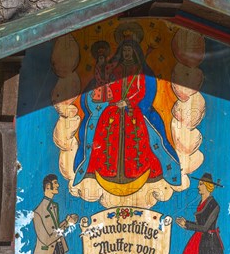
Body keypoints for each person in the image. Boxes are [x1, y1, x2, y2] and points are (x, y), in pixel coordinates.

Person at [72, 31, 181, 196]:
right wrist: (114, 99)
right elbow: (108, 86)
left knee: (140, 138)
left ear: (135, 51)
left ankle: (134, 172)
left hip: (132, 110)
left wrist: (128, 102)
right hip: (114, 108)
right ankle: (105, 171)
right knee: (104, 136)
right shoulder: (114, 69)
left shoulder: (140, 70)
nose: (127, 53)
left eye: (129, 50)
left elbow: (141, 90)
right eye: (124, 51)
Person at [15, 174, 78, 254]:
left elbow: (54, 230)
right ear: (48, 186)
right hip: (51, 248)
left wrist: (66, 221)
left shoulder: (53, 206)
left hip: (58, 246)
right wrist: (65, 226)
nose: (58, 185)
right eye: (55, 183)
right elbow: (46, 238)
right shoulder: (39, 211)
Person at [175, 173, 230, 254]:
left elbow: (205, 227)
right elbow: (200, 225)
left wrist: (187, 225)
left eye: (201, 184)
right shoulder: (202, 202)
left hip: (210, 242)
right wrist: (185, 223)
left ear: (208, 186)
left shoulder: (214, 205)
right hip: (201, 238)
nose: (198, 187)